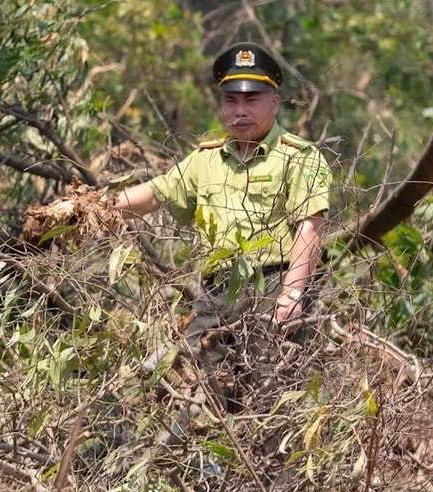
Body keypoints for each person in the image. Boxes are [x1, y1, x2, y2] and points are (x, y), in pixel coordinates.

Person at [111, 43, 331, 409]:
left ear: (274, 103)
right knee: (204, 399)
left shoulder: (299, 157)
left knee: (271, 403)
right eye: (231, 100)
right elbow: (157, 192)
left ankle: (270, 467)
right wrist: (92, 208)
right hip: (215, 294)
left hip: (271, 288)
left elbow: (310, 227)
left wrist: (292, 295)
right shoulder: (206, 159)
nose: (240, 110)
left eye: (252, 100)